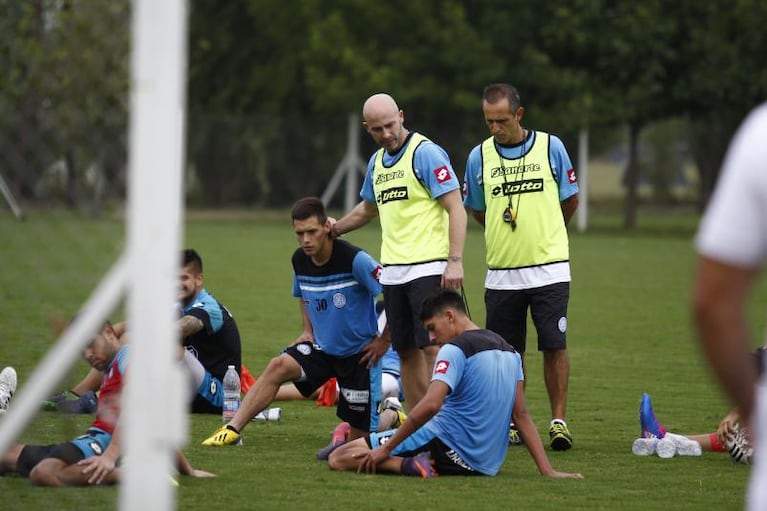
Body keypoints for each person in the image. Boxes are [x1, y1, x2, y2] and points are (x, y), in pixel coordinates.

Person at [328, 289, 584, 480]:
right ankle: (386, 432)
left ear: (450, 316)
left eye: (432, 328)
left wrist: (388, 450)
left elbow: (431, 405)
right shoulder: (510, 352)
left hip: (444, 444)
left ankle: (405, 464)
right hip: (483, 466)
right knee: (360, 445)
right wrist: (547, 470)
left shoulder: (455, 348)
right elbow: (521, 415)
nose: (430, 337)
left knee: (339, 458)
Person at [201, 197, 389, 447]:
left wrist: (384, 341)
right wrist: (307, 330)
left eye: (311, 232)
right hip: (322, 349)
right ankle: (232, 429)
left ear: (327, 227)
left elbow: (394, 291)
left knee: (359, 442)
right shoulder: (299, 259)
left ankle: (391, 415)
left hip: (360, 355)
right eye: (299, 233)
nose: (306, 240)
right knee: (278, 366)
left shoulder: (356, 260)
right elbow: (303, 293)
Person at [330, 92, 467, 411]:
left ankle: (448, 420)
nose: (386, 134)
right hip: (393, 272)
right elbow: (367, 210)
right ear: (368, 128)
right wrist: (334, 229)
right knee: (405, 349)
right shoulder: (377, 163)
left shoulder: (426, 153)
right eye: (377, 129)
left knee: (433, 347)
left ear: (402, 116)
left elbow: (455, 207)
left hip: (428, 268)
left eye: (390, 125)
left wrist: (455, 260)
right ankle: (422, 424)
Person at [462, 83, 579, 450]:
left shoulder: (551, 147)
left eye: (502, 120)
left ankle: (558, 421)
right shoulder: (478, 156)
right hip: (502, 272)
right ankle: (515, 420)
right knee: (508, 354)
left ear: (519, 114)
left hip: (549, 269)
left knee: (554, 345)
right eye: (488, 121)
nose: (495, 128)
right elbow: (477, 209)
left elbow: (569, 201)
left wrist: (545, 232)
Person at [0, 322, 214, 486]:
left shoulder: (128, 355)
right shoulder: (112, 367)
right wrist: (189, 471)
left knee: (44, 473)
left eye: (91, 345)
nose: (88, 355)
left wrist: (110, 456)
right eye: (83, 351)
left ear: (110, 333)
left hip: (104, 445)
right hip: (92, 441)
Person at [42, 248, 242, 415]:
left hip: (218, 396)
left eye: (184, 278)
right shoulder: (177, 303)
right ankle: (78, 395)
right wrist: (105, 334)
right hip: (186, 386)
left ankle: (102, 398)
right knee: (122, 339)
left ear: (199, 279)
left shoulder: (209, 307)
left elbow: (183, 327)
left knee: (143, 341)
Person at [693, 103, 767, 509]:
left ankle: (670, 440)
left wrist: (748, 410)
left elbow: (713, 303)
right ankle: (669, 440)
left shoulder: (761, 135)